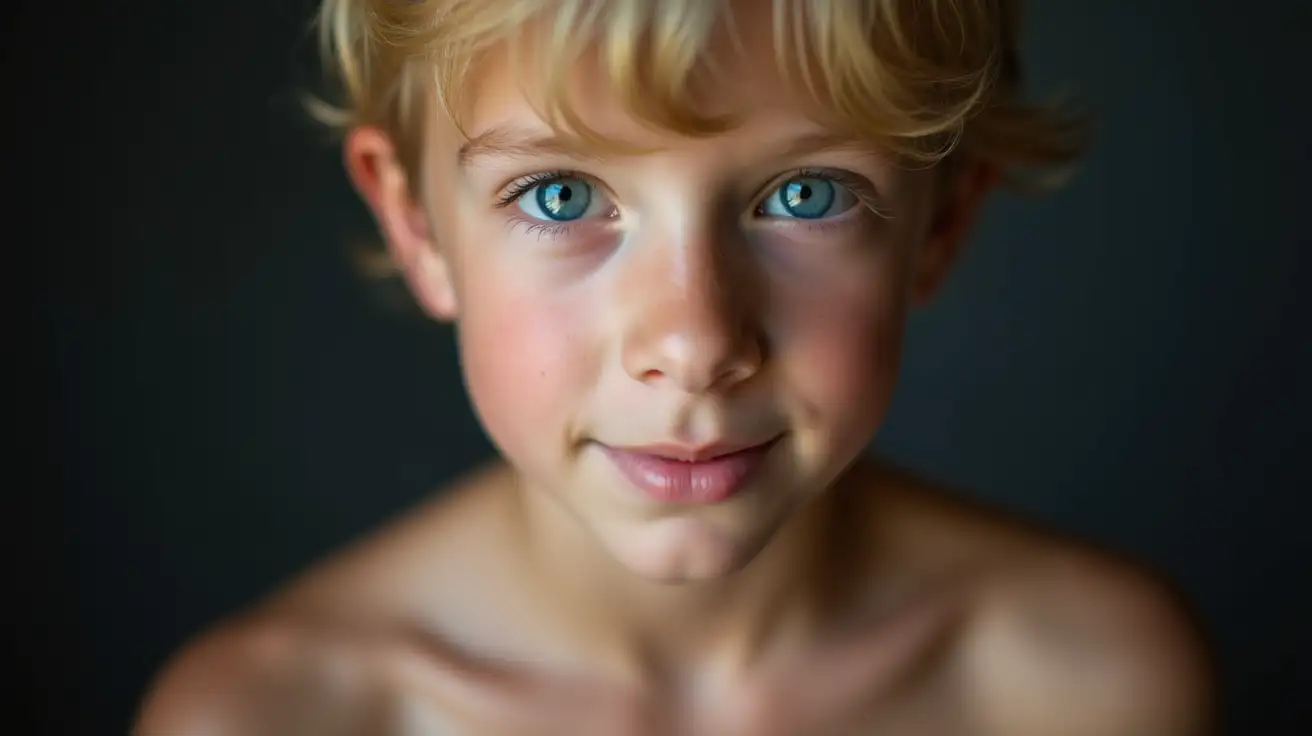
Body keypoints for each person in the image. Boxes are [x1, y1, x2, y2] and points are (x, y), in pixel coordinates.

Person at [135, 0, 1215, 733]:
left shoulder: (1086, 688)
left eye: (805, 196)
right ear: (416, 223)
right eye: (561, 196)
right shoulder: (268, 717)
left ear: (939, 224)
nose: (695, 343)